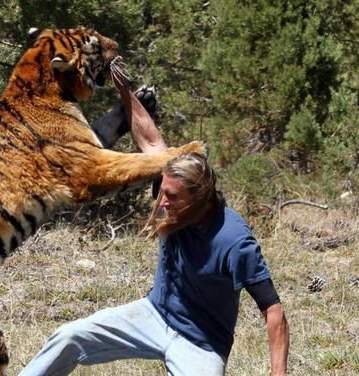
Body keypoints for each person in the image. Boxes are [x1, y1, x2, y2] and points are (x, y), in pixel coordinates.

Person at [18, 83, 290, 376]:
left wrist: (278, 373)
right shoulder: (170, 192)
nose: (162, 202)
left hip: (201, 342)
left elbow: (273, 310)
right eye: (162, 192)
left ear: (198, 196)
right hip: (153, 314)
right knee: (69, 337)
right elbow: (150, 142)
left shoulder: (234, 240)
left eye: (172, 197)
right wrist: (125, 92)